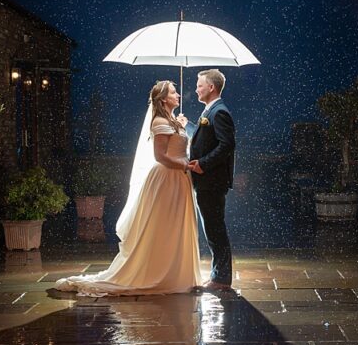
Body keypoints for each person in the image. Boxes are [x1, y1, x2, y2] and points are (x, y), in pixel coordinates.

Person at [52, 80, 203, 296]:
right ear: (163, 99)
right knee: (165, 225)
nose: (178, 94)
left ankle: (178, 271)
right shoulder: (159, 121)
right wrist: (185, 165)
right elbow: (160, 156)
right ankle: (160, 272)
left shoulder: (172, 121)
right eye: (173, 92)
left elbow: (179, 144)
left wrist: (181, 124)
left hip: (180, 179)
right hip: (168, 179)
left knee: (177, 225)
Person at [188, 68, 236, 291]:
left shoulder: (219, 112)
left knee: (215, 229)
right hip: (207, 182)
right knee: (212, 228)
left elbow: (226, 145)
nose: (196, 89)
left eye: (199, 85)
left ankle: (221, 279)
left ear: (211, 87)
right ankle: (219, 275)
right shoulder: (210, 111)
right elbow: (203, 139)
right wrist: (187, 125)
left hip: (212, 182)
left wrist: (202, 164)